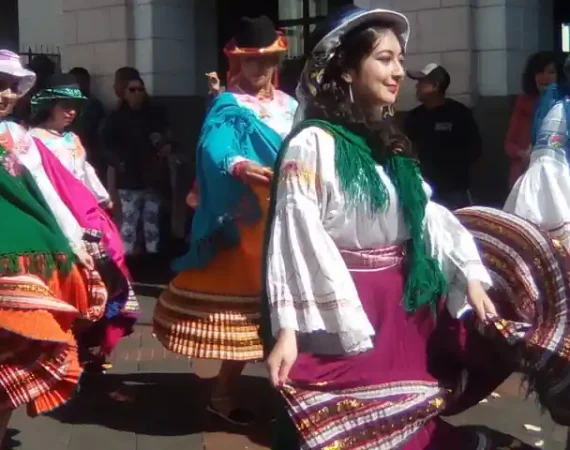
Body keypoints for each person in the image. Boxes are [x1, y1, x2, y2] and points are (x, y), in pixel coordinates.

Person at [262, 7, 514, 449]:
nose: (399, 71)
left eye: (400, 58)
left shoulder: (389, 144)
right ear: (344, 69)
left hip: (403, 312)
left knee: (407, 429)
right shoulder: (313, 143)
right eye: (384, 58)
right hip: (348, 316)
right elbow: (294, 236)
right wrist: (286, 330)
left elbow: (429, 215)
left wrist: (470, 275)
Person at [153, 15, 298, 425]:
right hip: (252, 222)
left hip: (296, 213)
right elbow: (214, 147)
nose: (260, 69)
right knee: (252, 312)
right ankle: (222, 393)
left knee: (304, 308)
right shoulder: (228, 104)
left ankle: (302, 395)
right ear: (238, 61)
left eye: (267, 60)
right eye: (252, 61)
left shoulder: (290, 104)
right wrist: (237, 166)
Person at [0, 50, 104, 442]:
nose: (7, 95)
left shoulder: (16, 137)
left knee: (16, 354)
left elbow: (46, 190)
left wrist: (75, 242)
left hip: (20, 269)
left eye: (12, 87)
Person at [27, 75, 139, 385]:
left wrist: (103, 196)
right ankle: (60, 352)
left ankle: (89, 348)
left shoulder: (71, 139)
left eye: (75, 107)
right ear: (48, 105)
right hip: (53, 220)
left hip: (87, 217)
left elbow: (84, 171)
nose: (71, 112)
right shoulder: (31, 140)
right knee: (66, 287)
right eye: (65, 106)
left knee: (104, 276)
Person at [100, 73, 172, 260]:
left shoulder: (154, 116)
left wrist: (165, 146)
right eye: (132, 90)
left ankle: (153, 260)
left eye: (141, 89)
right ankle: (127, 260)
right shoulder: (115, 119)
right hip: (129, 179)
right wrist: (119, 162)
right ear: (124, 93)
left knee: (152, 222)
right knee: (129, 222)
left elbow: (166, 138)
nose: (137, 93)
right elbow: (105, 146)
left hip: (152, 177)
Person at [504, 56, 570, 251]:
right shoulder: (553, 98)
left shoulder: (553, 98)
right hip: (550, 174)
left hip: (542, 175)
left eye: (551, 71)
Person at [405, 63, 481, 209]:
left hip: (454, 192)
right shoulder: (414, 117)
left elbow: (474, 149)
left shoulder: (459, 114)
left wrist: (453, 171)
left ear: (435, 86)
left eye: (422, 82)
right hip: (422, 190)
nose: (417, 87)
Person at [504, 51, 560, 188]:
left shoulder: (564, 104)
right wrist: (523, 154)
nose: (544, 77)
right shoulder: (523, 103)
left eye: (550, 72)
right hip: (526, 178)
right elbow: (509, 144)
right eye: (539, 72)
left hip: (558, 177)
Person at [69, 67, 107, 180]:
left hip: (91, 151)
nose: (80, 85)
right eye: (76, 82)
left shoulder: (93, 104)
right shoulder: (67, 103)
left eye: (83, 81)